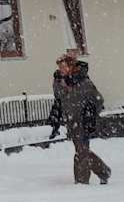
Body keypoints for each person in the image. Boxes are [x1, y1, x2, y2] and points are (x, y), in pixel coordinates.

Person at [47, 53, 110, 185]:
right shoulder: (58, 82)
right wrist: (56, 117)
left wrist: (89, 113)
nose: (61, 69)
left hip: (84, 122)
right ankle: (103, 171)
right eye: (59, 66)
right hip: (71, 121)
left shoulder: (83, 82)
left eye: (64, 66)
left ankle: (81, 182)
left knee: (81, 151)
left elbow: (98, 100)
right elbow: (59, 100)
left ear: (71, 66)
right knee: (83, 150)